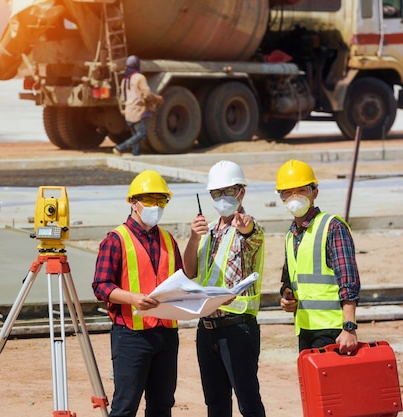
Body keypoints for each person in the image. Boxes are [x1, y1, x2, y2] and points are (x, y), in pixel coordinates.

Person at [92, 169, 184, 417]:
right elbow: (101, 285)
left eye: (161, 201)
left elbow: (180, 279)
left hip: (166, 334)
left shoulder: (168, 239)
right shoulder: (116, 239)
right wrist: (132, 298)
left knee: (162, 406)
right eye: (150, 200)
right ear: (133, 202)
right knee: (125, 407)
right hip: (131, 336)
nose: (156, 206)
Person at [182, 160, 266, 417]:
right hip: (207, 329)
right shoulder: (206, 232)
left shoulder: (249, 228)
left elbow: (252, 234)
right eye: (216, 193)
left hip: (237, 328)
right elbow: (189, 271)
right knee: (215, 403)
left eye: (228, 191)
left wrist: (246, 227)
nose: (222, 198)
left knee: (248, 401)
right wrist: (193, 238)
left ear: (242, 191)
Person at [276, 159, 361, 354]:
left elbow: (348, 280)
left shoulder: (332, 227)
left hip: (332, 330)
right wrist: (287, 297)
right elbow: (289, 281)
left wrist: (349, 327)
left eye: (301, 190)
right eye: (288, 192)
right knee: (311, 384)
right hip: (304, 329)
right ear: (281, 198)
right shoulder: (291, 235)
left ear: (315, 192)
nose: (294, 197)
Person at [113, 55, 163, 157]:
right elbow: (147, 94)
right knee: (142, 134)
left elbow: (123, 97)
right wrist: (155, 100)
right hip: (138, 111)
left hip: (128, 111)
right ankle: (120, 148)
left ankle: (136, 154)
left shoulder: (125, 80)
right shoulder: (140, 78)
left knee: (135, 133)